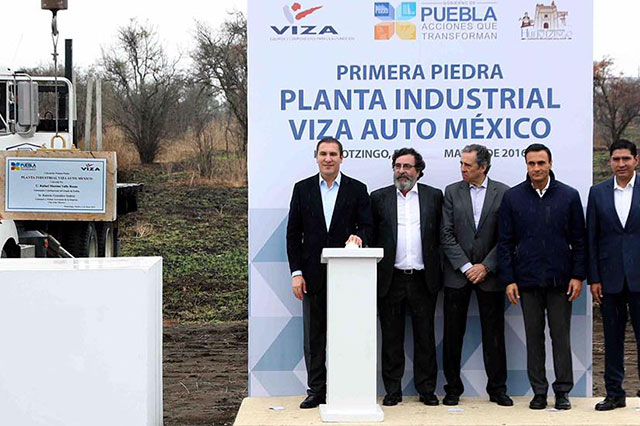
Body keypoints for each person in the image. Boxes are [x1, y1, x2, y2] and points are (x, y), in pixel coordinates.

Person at [286, 136, 372, 409]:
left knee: (347, 335)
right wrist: (296, 273)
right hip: (311, 277)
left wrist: (359, 237)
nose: (328, 158)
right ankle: (316, 391)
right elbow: (292, 235)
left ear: (341, 158)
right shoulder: (302, 189)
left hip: (348, 278)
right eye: (323, 153)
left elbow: (368, 226)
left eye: (333, 154)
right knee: (314, 337)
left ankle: (344, 389)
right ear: (316, 157)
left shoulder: (358, 189)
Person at [497, 143, 585, 410]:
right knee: (533, 338)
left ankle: (562, 392)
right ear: (526, 165)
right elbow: (505, 242)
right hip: (527, 281)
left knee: (560, 337)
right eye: (531, 163)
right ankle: (538, 392)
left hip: (561, 281)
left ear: (550, 164)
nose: (536, 168)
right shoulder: (513, 198)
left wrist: (578, 275)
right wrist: (510, 280)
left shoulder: (569, 196)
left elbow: (580, 240)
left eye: (541, 163)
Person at [440, 144, 512, 406]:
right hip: (457, 275)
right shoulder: (451, 191)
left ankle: (497, 389)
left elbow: (506, 236)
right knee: (452, 334)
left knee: (494, 334)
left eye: (467, 165)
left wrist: (485, 266)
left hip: (490, 276)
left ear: (483, 167)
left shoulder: (503, 193)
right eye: (461, 164)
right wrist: (466, 266)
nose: (462, 169)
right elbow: (445, 234)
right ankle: (452, 389)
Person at [370, 147, 443, 406]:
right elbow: (370, 234)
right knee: (391, 339)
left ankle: (426, 390)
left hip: (424, 279)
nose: (402, 171)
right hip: (390, 279)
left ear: (418, 171)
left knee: (425, 338)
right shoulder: (378, 198)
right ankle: (393, 391)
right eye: (398, 166)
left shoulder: (435, 197)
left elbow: (441, 237)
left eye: (407, 166)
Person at [587, 139, 640, 411]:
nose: (621, 164)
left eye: (626, 159)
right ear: (610, 161)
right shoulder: (597, 193)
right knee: (612, 338)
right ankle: (614, 394)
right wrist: (594, 278)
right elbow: (592, 239)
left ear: (636, 160)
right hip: (609, 279)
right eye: (616, 159)